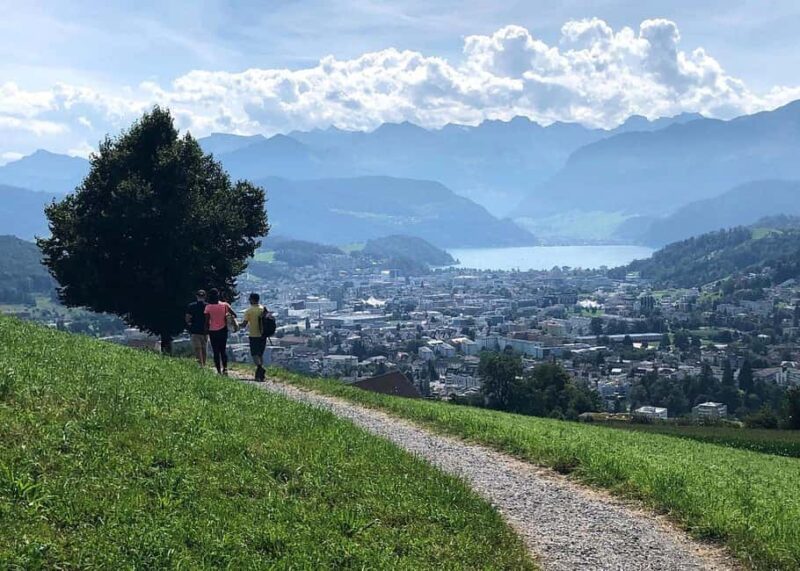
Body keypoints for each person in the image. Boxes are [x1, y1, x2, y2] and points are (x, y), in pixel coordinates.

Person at [204, 288, 236, 375]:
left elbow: (207, 321)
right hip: (223, 330)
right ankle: (225, 368)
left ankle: (218, 370)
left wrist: (206, 331)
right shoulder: (225, 305)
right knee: (223, 350)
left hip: (212, 331)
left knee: (216, 351)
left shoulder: (208, 307)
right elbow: (234, 314)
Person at [241, 292, 271, 381]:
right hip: (263, 335)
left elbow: (244, 324)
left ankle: (260, 369)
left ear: (252, 300)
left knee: (254, 354)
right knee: (260, 354)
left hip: (253, 335)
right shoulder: (263, 309)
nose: (249, 300)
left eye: (250, 299)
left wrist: (236, 325)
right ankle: (260, 375)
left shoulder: (249, 311)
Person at [185, 289, 208, 366]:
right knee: (204, 349)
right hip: (205, 331)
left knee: (198, 349)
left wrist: (189, 324)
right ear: (205, 296)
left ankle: (200, 365)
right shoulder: (208, 306)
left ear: (196, 296)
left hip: (194, 331)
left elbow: (187, 317)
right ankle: (203, 364)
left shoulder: (191, 306)